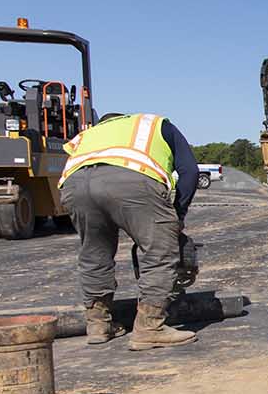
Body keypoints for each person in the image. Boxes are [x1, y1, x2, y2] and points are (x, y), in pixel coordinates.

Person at [60, 113, 201, 349]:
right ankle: (149, 327)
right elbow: (190, 171)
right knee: (159, 253)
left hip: (74, 184)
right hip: (132, 178)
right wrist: (178, 215)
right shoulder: (154, 124)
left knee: (94, 253)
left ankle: (98, 325)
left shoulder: (89, 134)